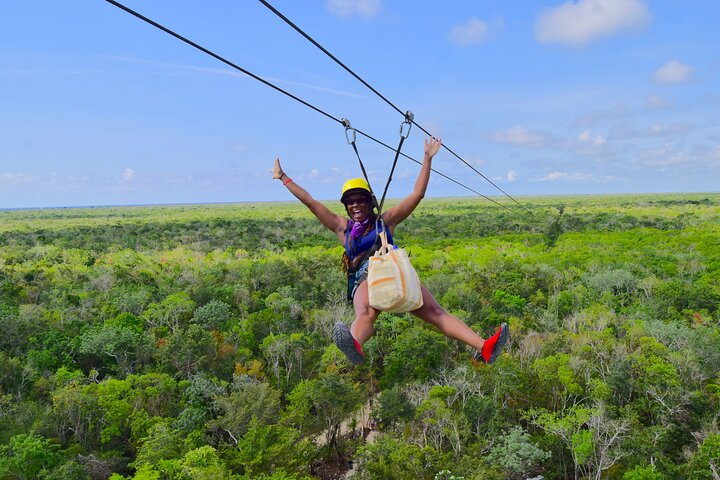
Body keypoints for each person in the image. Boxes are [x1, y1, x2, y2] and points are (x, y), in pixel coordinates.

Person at [272, 137, 508, 365]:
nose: (356, 205)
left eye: (361, 200)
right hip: (365, 276)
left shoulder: (386, 221)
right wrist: (283, 177)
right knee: (365, 312)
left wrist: (427, 159)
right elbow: (311, 202)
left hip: (396, 275)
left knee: (436, 312)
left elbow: (417, 195)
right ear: (345, 205)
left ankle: (484, 347)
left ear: (369, 202)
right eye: (351, 201)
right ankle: (354, 343)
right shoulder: (341, 228)